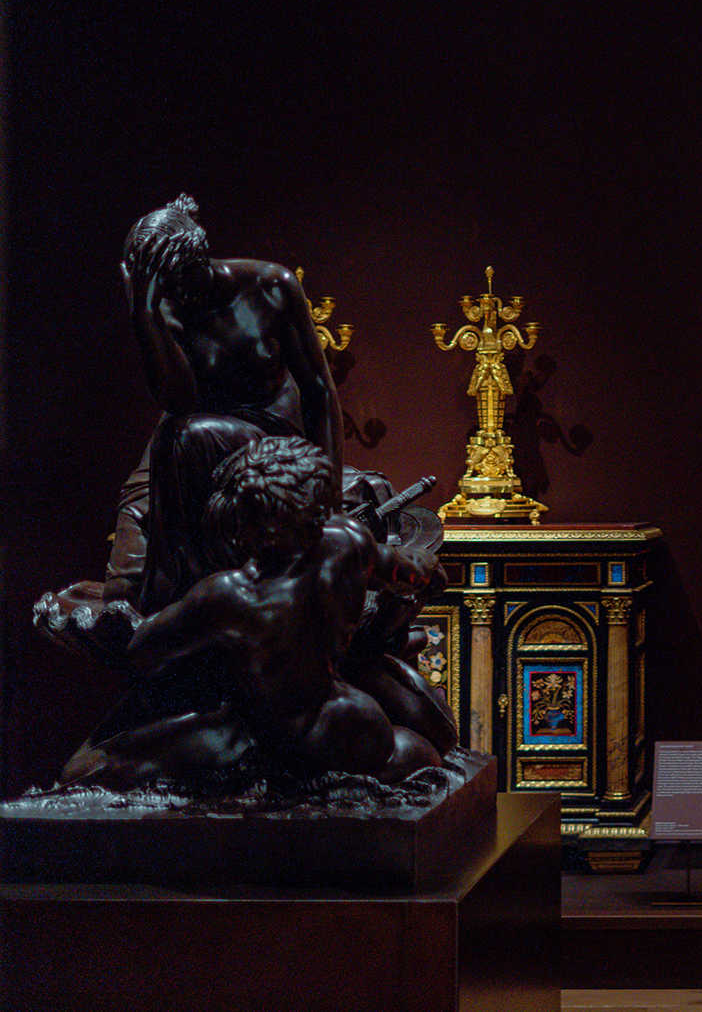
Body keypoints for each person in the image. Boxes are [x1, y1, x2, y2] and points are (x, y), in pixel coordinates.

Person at [64, 436, 448, 790]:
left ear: (250, 522)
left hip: (278, 736)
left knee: (89, 771)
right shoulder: (347, 540)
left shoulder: (232, 595)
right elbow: (405, 568)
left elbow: (143, 651)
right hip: (355, 718)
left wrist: (108, 617)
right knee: (422, 753)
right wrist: (426, 572)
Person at [108, 195, 343, 620]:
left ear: (199, 263)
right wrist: (144, 312)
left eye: (177, 284)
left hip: (268, 432)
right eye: (162, 288)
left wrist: (328, 497)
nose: (174, 296)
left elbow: (320, 394)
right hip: (191, 426)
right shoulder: (163, 307)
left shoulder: (271, 286)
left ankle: (174, 599)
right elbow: (178, 400)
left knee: (182, 440)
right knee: (138, 506)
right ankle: (124, 605)